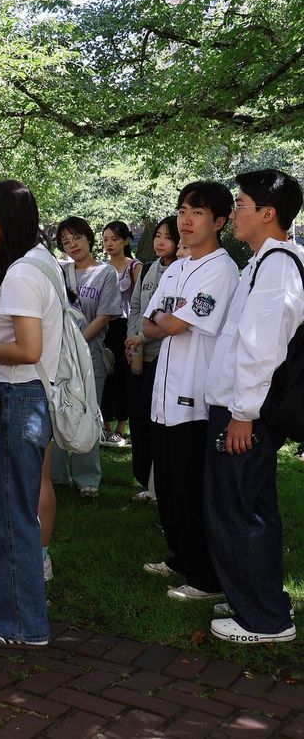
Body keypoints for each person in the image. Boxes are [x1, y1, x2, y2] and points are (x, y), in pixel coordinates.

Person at [203, 169, 302, 643]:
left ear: (268, 213)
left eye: (241, 204)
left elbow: (262, 347)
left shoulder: (277, 264)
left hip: (247, 413)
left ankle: (264, 619)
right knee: (245, 504)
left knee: (241, 509)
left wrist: (242, 413)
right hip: (241, 408)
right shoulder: (263, 262)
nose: (235, 213)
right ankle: (254, 596)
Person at [0, 179, 63, 648]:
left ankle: (21, 625)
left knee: (8, 517)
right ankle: (11, 613)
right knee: (12, 513)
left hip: (16, 397)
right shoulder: (36, 263)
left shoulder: (24, 272)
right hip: (24, 398)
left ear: (7, 219)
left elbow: (28, 349)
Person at [141, 181, 238, 601]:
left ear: (219, 221)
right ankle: (180, 556)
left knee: (191, 488)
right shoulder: (176, 267)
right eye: (182, 209)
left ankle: (205, 578)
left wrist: (166, 318)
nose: (185, 219)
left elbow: (176, 325)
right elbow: (147, 325)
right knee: (168, 483)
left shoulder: (221, 268)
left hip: (196, 398)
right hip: (165, 394)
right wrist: (166, 318)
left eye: (197, 212)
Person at [49, 216, 121, 497]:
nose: (72, 245)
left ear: (89, 238)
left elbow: (104, 316)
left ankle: (87, 478)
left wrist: (78, 341)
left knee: (88, 412)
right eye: (65, 241)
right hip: (58, 355)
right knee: (56, 412)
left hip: (89, 355)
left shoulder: (105, 273)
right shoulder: (59, 270)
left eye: (76, 238)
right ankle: (57, 476)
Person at [124, 216, 179, 500]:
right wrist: (134, 339)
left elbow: (171, 319)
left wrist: (142, 337)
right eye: (158, 235)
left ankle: (159, 486)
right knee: (139, 419)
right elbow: (136, 307)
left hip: (164, 355)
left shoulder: (182, 272)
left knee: (157, 420)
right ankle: (146, 480)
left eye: (168, 237)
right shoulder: (146, 269)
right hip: (139, 354)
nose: (160, 242)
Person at [101, 221, 141, 445]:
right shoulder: (101, 267)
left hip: (126, 326)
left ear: (125, 240)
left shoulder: (134, 267)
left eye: (114, 239)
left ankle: (121, 427)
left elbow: (138, 301)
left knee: (124, 376)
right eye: (105, 239)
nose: (109, 244)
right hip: (105, 325)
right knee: (105, 375)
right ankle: (105, 425)